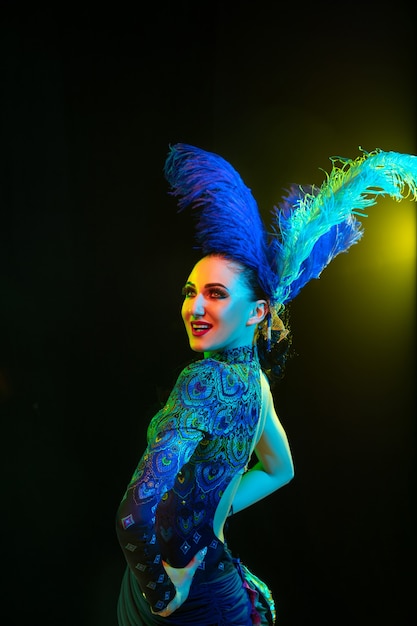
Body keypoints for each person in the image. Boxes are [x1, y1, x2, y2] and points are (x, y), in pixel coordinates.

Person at [116, 144, 417, 625]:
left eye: (215, 294)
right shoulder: (255, 382)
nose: (194, 307)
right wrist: (210, 515)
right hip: (211, 584)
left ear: (258, 312)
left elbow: (133, 516)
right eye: (190, 291)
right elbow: (280, 469)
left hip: (184, 603)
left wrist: (159, 591)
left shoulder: (203, 383)